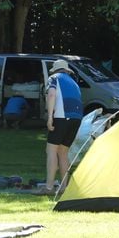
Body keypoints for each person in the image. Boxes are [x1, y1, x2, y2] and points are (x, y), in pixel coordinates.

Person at [34, 59, 83, 195]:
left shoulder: (54, 78)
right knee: (63, 152)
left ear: (55, 70)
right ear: (67, 70)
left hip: (62, 116)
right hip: (77, 119)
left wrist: (50, 117)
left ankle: (49, 188)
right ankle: (64, 187)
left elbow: (51, 95)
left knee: (51, 150)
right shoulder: (74, 83)